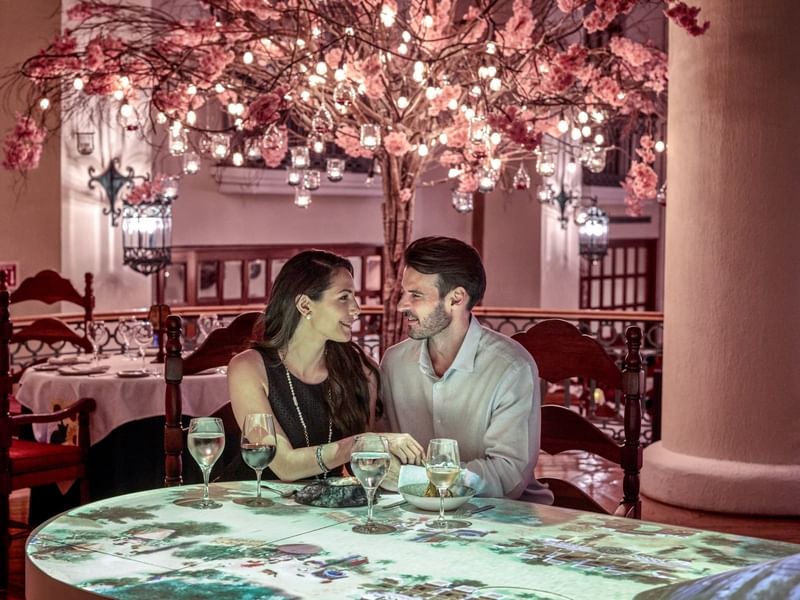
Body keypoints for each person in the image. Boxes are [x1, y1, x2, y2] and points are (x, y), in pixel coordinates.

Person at [381, 236, 553, 503]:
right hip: (414, 517)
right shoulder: (394, 363)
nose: (402, 305)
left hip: (502, 519)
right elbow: (385, 449)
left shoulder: (511, 368)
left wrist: (414, 479)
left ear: (456, 298)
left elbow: (507, 478)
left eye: (415, 295)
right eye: (404, 293)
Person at [227, 249, 420, 481]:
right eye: (344, 297)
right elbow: (283, 465)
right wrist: (359, 444)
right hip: (256, 503)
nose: (356, 309)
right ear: (305, 305)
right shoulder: (248, 368)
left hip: (330, 509)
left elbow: (365, 463)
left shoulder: (362, 370)